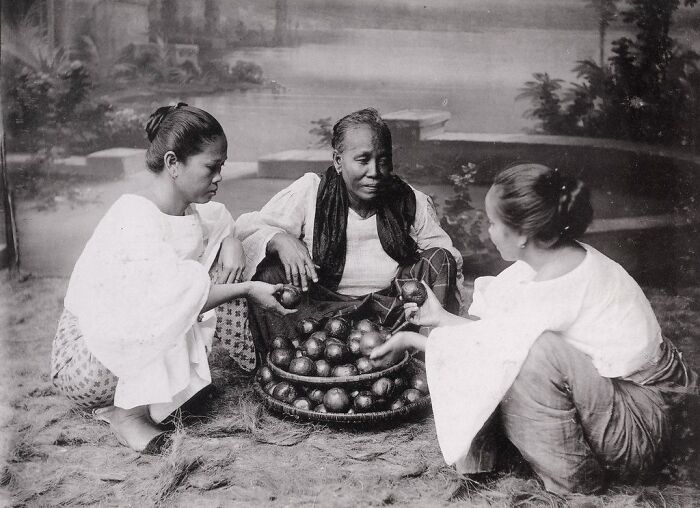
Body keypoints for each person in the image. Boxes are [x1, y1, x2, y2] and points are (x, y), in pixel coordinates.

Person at [371, 163, 698, 494]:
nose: (488, 232)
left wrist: (412, 338)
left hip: (645, 424)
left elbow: (499, 345)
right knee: (520, 349)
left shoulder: (561, 280)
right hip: (624, 402)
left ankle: (572, 483)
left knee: (532, 356)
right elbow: (497, 330)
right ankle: (498, 457)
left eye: (493, 223)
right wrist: (440, 317)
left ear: (523, 234)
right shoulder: (551, 261)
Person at [51, 103, 294, 453]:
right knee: (172, 296)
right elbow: (172, 297)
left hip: (121, 351)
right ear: (172, 163)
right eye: (212, 167)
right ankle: (127, 415)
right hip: (87, 359)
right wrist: (248, 288)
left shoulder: (189, 210)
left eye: (221, 166)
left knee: (188, 284)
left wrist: (231, 243)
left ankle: (158, 398)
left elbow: (221, 219)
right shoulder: (134, 215)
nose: (219, 177)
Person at [235, 108, 465, 354]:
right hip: (319, 314)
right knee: (270, 272)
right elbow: (246, 229)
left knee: (441, 258)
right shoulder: (310, 192)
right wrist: (278, 239)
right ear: (338, 161)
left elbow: (445, 262)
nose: (375, 172)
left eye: (383, 161)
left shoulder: (410, 200)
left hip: (393, 315)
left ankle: (425, 354)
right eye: (363, 160)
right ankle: (295, 357)